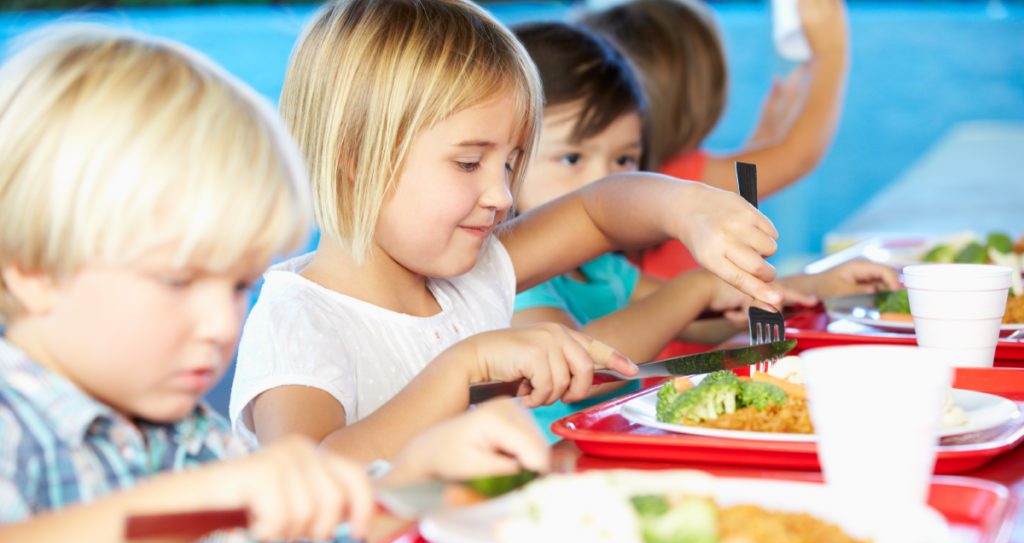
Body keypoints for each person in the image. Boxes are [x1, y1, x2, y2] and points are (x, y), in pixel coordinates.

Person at [0, 26, 549, 543]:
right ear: (33, 270)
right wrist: (201, 501)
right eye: (177, 280)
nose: (221, 326)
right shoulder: (14, 431)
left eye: (238, 285)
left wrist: (420, 483)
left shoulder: (189, 438)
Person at [231, 0, 785, 462]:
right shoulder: (299, 322)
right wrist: (465, 367)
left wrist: (687, 208)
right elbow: (307, 483)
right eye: (469, 163)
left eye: (511, 162)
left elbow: (596, 210)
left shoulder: (471, 275)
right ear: (357, 157)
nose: (500, 195)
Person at [509, 22, 897, 432]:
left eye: (624, 160)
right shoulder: (514, 279)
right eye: (572, 159)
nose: (605, 180)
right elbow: (580, 370)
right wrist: (696, 287)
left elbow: (696, 317)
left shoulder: (600, 268)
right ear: (507, 159)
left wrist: (815, 287)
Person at [581, 0, 850, 279]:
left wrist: (764, 139)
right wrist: (831, 53)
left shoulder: (633, 179)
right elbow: (797, 157)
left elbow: (741, 186)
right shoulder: (678, 180)